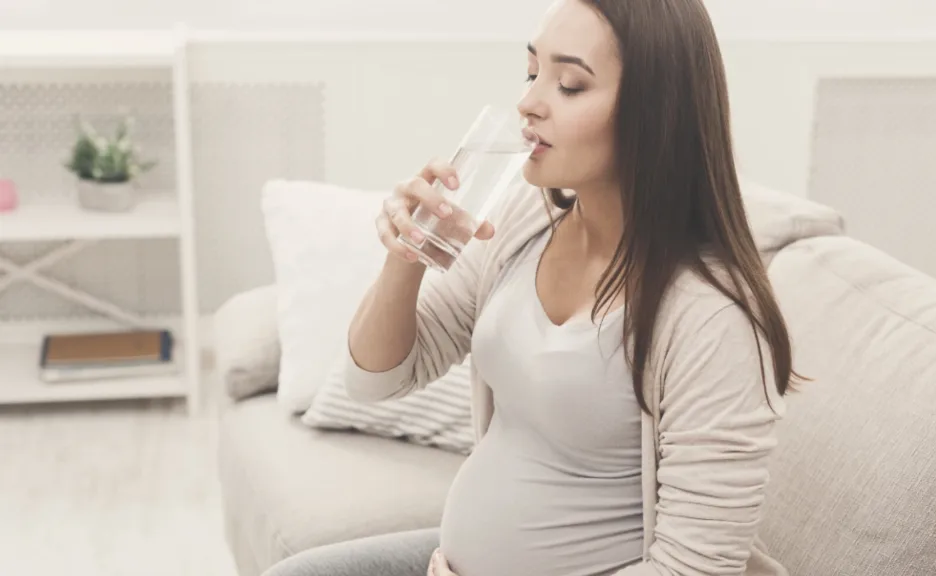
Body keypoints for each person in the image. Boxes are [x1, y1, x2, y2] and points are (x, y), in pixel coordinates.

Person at [264, 0, 800, 575]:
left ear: (655, 113)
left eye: (569, 85)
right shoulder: (524, 222)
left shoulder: (710, 315)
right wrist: (408, 254)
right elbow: (376, 379)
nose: (528, 103)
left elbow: (694, 568)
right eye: (532, 72)